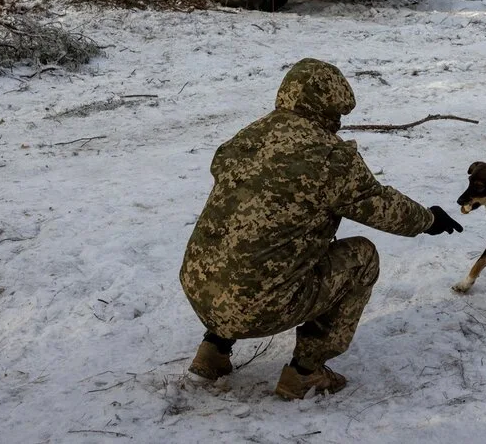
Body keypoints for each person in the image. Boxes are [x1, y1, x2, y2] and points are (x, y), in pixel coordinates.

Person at [179, 58, 464, 400]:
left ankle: (213, 351)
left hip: (199, 288)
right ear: (330, 105)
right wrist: (429, 220)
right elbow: (383, 209)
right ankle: (305, 372)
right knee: (362, 257)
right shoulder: (329, 156)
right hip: (256, 306)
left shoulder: (248, 136)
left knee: (244, 245)